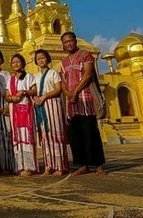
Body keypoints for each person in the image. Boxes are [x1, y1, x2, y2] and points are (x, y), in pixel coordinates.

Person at [60, 31, 107, 176]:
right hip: (72, 103)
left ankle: (98, 165)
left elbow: (88, 74)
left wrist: (75, 92)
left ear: (75, 41)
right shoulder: (63, 62)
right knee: (76, 135)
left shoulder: (85, 55)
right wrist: (68, 93)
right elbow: (62, 81)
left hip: (86, 99)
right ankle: (83, 164)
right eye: (66, 42)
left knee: (90, 132)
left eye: (70, 41)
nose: (69, 44)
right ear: (63, 44)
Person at [32, 49, 69, 176]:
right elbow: (33, 91)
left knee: (56, 135)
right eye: (38, 58)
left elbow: (58, 89)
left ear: (47, 59)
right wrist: (35, 98)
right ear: (35, 61)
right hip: (41, 107)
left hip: (52, 104)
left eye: (43, 57)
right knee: (45, 137)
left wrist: (44, 97)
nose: (41, 60)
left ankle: (60, 166)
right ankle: (49, 165)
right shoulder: (34, 76)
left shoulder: (53, 73)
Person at [6, 53, 37, 176]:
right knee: (17, 138)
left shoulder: (28, 76)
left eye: (18, 62)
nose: (16, 64)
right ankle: (19, 166)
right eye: (13, 62)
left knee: (26, 138)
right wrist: (12, 98)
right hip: (14, 111)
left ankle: (28, 167)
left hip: (25, 111)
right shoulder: (11, 79)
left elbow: (34, 90)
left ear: (23, 64)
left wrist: (24, 92)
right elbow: (6, 94)